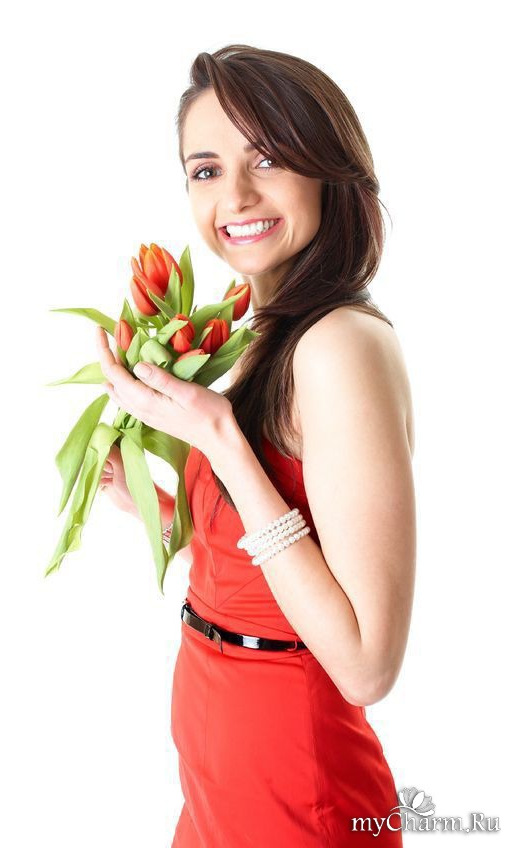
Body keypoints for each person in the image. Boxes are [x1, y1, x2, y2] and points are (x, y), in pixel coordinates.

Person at [98, 44, 415, 847]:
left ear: (327, 168)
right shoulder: (259, 333)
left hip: (292, 768)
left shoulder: (338, 344)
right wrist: (156, 508)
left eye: (267, 158)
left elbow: (366, 665)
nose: (234, 195)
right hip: (215, 739)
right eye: (205, 170)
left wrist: (218, 439)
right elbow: (268, 566)